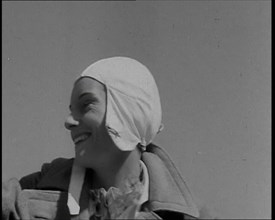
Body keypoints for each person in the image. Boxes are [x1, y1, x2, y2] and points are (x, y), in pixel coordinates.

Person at [2, 57, 199, 220]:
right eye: (71, 110)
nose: (68, 121)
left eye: (86, 105)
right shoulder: (32, 188)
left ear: (128, 112)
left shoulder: (179, 216)